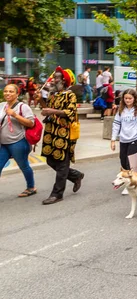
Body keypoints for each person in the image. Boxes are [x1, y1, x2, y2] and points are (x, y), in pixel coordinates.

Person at [40, 67, 85, 205]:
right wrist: (41, 99)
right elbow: (44, 108)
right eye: (54, 77)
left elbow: (70, 112)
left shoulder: (69, 94)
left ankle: (57, 194)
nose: (54, 80)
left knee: (62, 164)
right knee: (50, 160)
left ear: (64, 80)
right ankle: (75, 175)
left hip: (63, 132)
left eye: (57, 78)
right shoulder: (52, 94)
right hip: (51, 131)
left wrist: (52, 110)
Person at [0, 84, 37, 197]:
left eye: (11, 91)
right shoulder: (1, 105)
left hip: (18, 142)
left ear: (17, 94)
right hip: (3, 144)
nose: (7, 93)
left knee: (24, 165)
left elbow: (31, 123)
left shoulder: (22, 107)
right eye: (6, 91)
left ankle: (31, 187)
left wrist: (15, 115)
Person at [111, 89, 137, 195]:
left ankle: (131, 184)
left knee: (131, 163)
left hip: (135, 138)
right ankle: (132, 178)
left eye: (130, 98)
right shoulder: (120, 110)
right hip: (123, 139)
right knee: (123, 162)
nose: (127, 100)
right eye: (125, 98)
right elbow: (116, 124)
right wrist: (113, 139)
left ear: (134, 99)